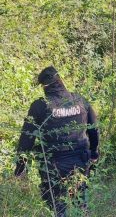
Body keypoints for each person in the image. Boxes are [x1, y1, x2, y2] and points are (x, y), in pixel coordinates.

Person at [14, 66, 100, 216]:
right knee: (80, 203)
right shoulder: (80, 100)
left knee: (56, 206)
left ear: (44, 86)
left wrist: (20, 170)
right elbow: (94, 129)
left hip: (53, 165)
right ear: (60, 80)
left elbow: (26, 139)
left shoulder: (40, 106)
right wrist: (94, 153)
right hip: (80, 160)